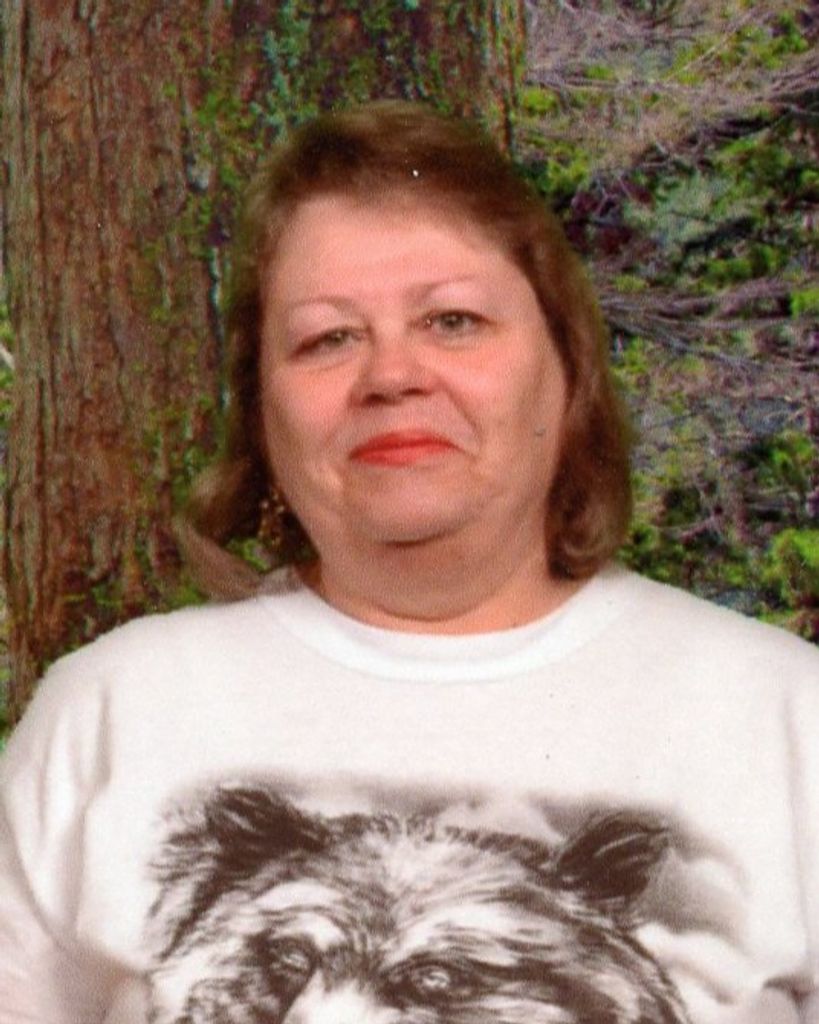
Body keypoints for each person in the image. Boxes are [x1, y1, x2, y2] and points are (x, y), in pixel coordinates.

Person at [0, 100, 817, 1024]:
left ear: (568, 372)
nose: (391, 375)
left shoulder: (785, 716)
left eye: (452, 320)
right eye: (328, 338)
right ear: (264, 411)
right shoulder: (111, 713)